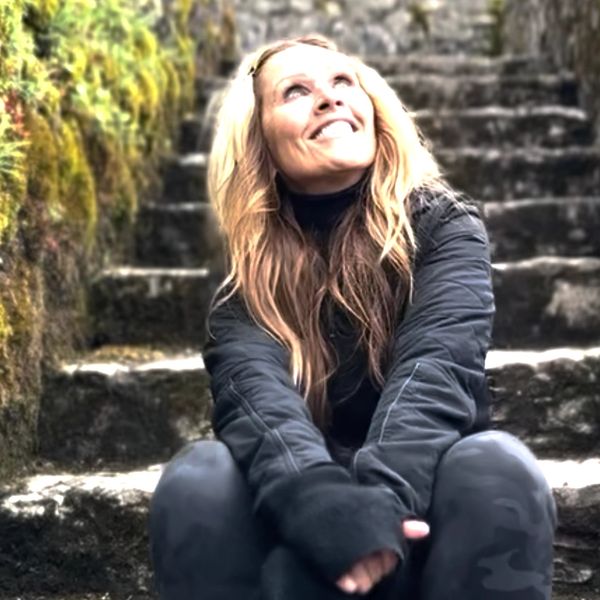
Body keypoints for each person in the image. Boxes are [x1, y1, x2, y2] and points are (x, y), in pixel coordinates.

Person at [149, 35, 557, 600]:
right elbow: (258, 406)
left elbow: (436, 371)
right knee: (199, 479)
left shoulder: (444, 229)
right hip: (300, 516)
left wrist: (377, 508)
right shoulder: (244, 290)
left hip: (427, 512)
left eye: (343, 82)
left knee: (498, 466)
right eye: (296, 91)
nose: (330, 99)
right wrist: (322, 506)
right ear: (259, 142)